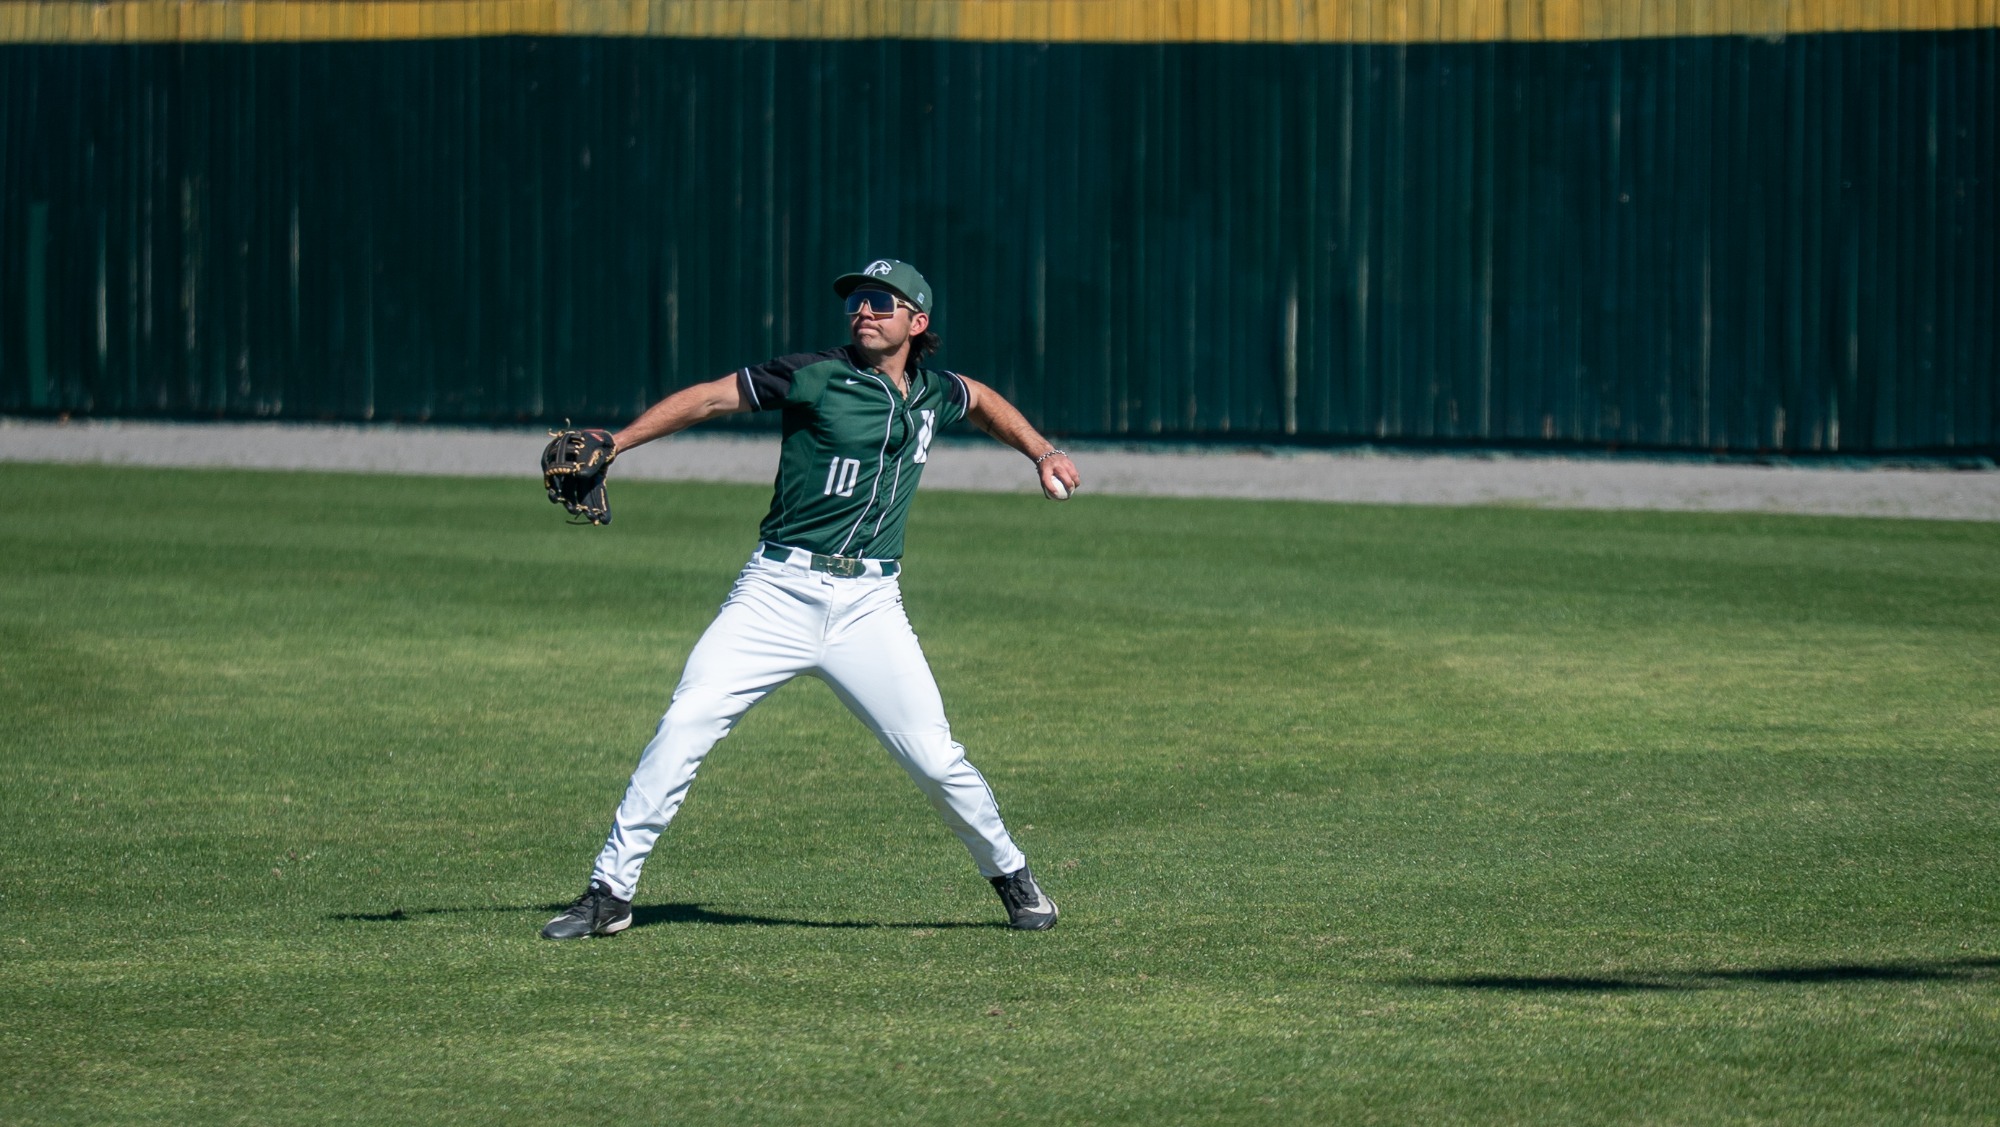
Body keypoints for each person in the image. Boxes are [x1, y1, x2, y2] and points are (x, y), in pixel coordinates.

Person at [541, 259, 1082, 939]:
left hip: (870, 607)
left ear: (917, 322)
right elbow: (712, 397)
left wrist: (1040, 451)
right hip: (775, 592)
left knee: (934, 756)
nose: (862, 309)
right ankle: (610, 892)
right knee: (685, 724)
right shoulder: (814, 375)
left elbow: (980, 398)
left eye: (881, 301)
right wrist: (616, 441)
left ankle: (1014, 878)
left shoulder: (931, 392)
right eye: (856, 299)